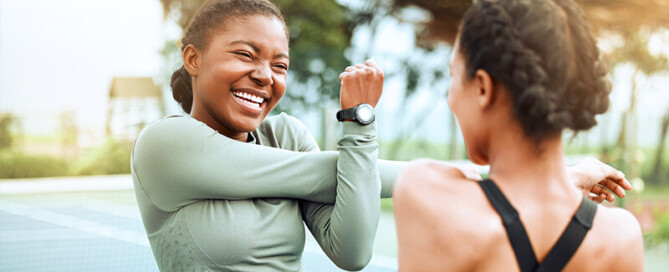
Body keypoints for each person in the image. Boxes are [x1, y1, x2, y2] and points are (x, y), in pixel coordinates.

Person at [132, 0, 632, 271]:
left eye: (279, 64)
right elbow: (330, 171)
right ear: (193, 59)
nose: (265, 75)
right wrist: (360, 122)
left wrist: (355, 138)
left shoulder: (286, 131)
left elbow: (351, 253)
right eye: (245, 55)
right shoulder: (163, 145)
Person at [393, 0, 643, 271]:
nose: (450, 95)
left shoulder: (427, 194)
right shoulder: (621, 236)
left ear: (482, 88)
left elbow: (486, 187)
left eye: (453, 74)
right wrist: (563, 181)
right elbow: (527, 197)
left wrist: (572, 177)